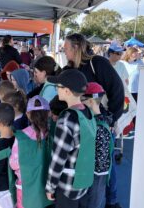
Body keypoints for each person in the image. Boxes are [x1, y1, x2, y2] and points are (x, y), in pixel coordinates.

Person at [46, 69, 97, 208]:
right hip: (85, 181)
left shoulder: (67, 118)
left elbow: (58, 158)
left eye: (58, 87)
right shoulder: (88, 112)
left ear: (67, 90)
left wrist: (50, 186)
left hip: (68, 186)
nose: (57, 89)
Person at [63, 33, 124, 127]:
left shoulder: (97, 63)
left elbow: (117, 89)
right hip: (75, 123)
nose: (64, 51)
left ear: (75, 48)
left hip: (97, 123)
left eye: (66, 48)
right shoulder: (67, 69)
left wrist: (111, 118)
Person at [9, 95, 52, 208]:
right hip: (48, 187)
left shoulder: (20, 137)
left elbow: (14, 164)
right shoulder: (54, 134)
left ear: (28, 115)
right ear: (48, 113)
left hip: (25, 188)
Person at [82, 82, 113, 208]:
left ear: (91, 102)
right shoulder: (101, 120)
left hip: (96, 174)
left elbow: (100, 158)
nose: (80, 102)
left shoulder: (98, 127)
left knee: (92, 203)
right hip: (97, 173)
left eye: (82, 99)